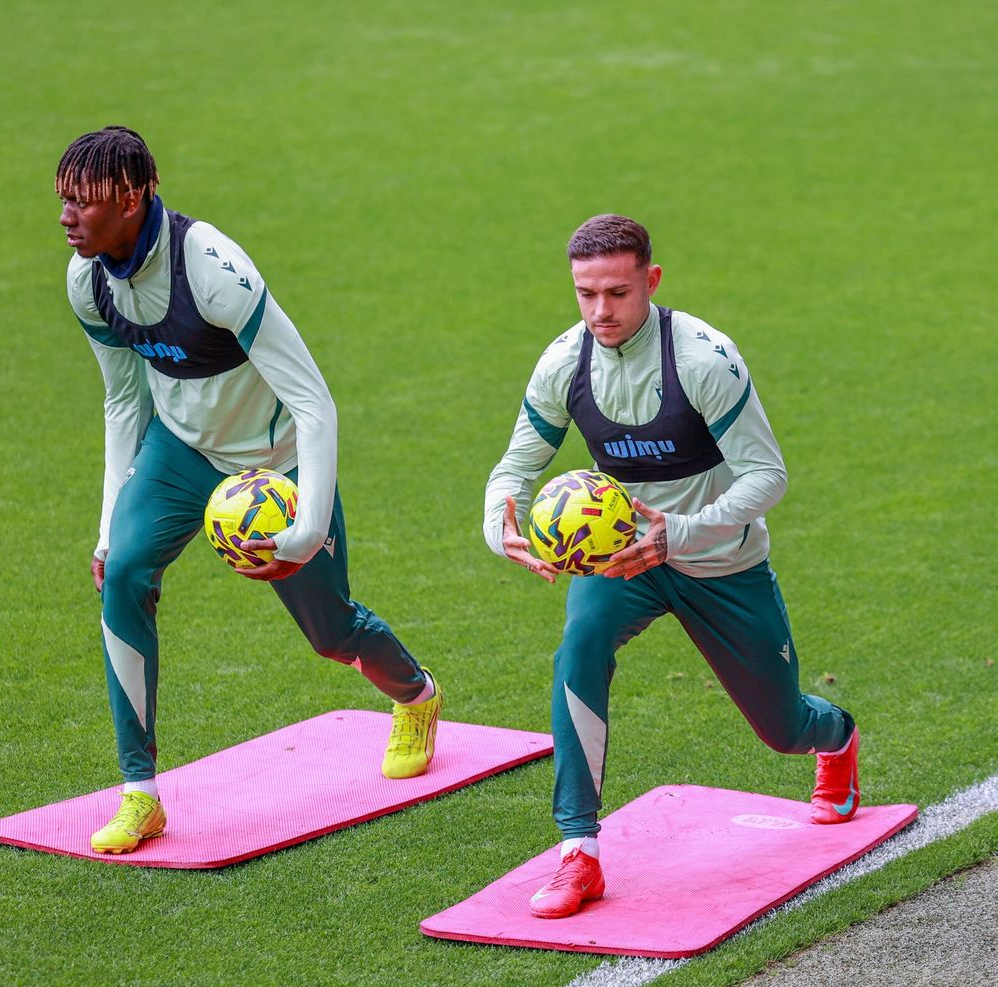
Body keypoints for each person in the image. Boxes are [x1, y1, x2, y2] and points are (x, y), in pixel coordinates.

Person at [58, 126, 442, 855]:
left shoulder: (212, 270)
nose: (67, 215)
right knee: (125, 577)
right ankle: (139, 790)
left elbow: (315, 403)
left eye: (85, 199)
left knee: (331, 633)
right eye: (64, 199)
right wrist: (109, 526)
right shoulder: (87, 283)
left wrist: (305, 528)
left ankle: (417, 696)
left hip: (276, 467)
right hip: (178, 453)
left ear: (133, 197)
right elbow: (122, 403)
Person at [483, 214, 860, 919]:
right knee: (578, 650)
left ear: (650, 282)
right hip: (621, 562)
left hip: (721, 562)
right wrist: (497, 516)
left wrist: (682, 531)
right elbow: (516, 465)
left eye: (617, 294)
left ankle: (837, 737)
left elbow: (767, 477)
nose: (601, 311)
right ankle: (578, 852)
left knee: (781, 728)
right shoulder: (565, 363)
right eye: (586, 294)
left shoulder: (702, 360)